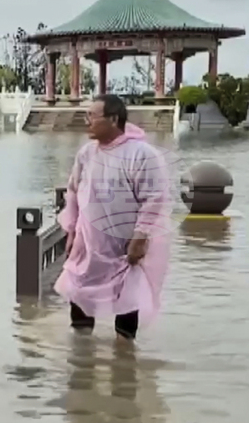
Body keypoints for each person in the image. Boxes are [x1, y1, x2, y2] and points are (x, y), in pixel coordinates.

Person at [54, 94, 172, 340]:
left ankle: (124, 352)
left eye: (92, 116)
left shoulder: (142, 155)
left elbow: (153, 198)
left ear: (113, 119)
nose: (87, 121)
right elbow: (73, 192)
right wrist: (72, 230)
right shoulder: (86, 154)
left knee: (127, 295)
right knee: (80, 292)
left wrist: (140, 236)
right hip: (88, 241)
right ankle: (81, 351)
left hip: (125, 243)